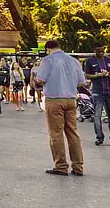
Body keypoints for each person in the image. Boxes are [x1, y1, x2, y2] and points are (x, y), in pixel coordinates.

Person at [33, 39, 86, 176]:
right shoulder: (74, 61)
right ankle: (78, 166)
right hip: (71, 99)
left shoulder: (47, 60)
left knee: (56, 134)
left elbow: (40, 80)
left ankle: (61, 166)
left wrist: (36, 82)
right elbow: (81, 82)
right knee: (73, 133)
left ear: (48, 49)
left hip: (54, 99)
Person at [83, 44, 110, 147]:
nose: (101, 53)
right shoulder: (90, 61)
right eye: (98, 51)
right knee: (97, 115)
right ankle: (99, 137)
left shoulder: (109, 61)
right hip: (98, 91)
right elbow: (86, 75)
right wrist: (98, 75)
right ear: (94, 50)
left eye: (102, 51)